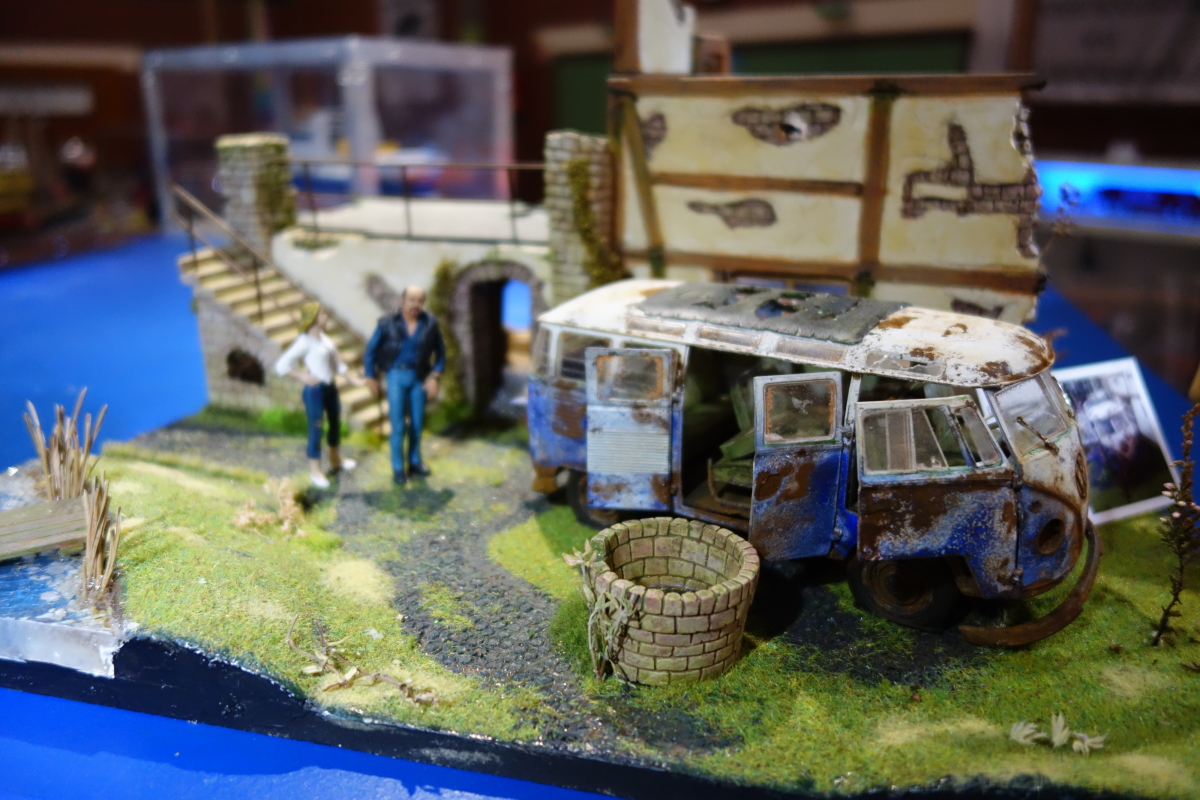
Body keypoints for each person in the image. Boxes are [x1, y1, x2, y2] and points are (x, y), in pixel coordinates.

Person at [364, 286, 445, 485]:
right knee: (398, 424)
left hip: (418, 377)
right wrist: (370, 376)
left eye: (420, 301)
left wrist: (435, 377)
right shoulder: (387, 323)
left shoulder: (430, 324)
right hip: (395, 376)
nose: (416, 304)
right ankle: (398, 467)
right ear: (402, 300)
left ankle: (415, 461)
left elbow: (441, 353)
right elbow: (370, 351)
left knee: (417, 424)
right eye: (411, 299)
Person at [274, 303, 359, 489]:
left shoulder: (324, 338)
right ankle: (315, 471)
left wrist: (353, 380)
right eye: (322, 314)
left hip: (330, 387)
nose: (325, 317)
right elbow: (281, 365)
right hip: (315, 391)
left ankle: (335, 459)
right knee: (316, 429)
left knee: (335, 424)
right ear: (313, 318)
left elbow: (338, 362)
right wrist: (302, 376)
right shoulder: (304, 342)